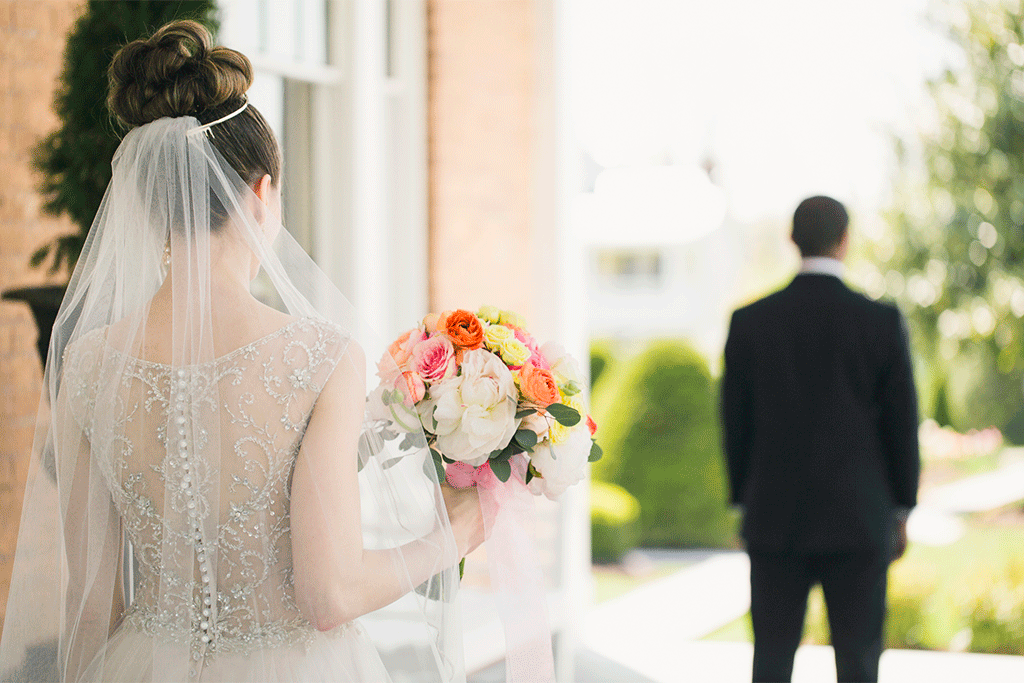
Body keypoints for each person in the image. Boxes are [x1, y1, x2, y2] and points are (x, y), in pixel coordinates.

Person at [0, 20, 482, 683]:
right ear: (261, 194)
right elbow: (330, 595)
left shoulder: (86, 364)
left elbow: (92, 604)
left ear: (146, 202)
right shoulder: (319, 357)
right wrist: (457, 534)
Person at [721, 196, 920, 683]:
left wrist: (742, 503)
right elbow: (902, 425)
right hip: (859, 518)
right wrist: (902, 508)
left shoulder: (750, 322)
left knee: (770, 660)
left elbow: (735, 423)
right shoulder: (880, 322)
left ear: (792, 240)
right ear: (845, 240)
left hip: (774, 517)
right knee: (859, 663)